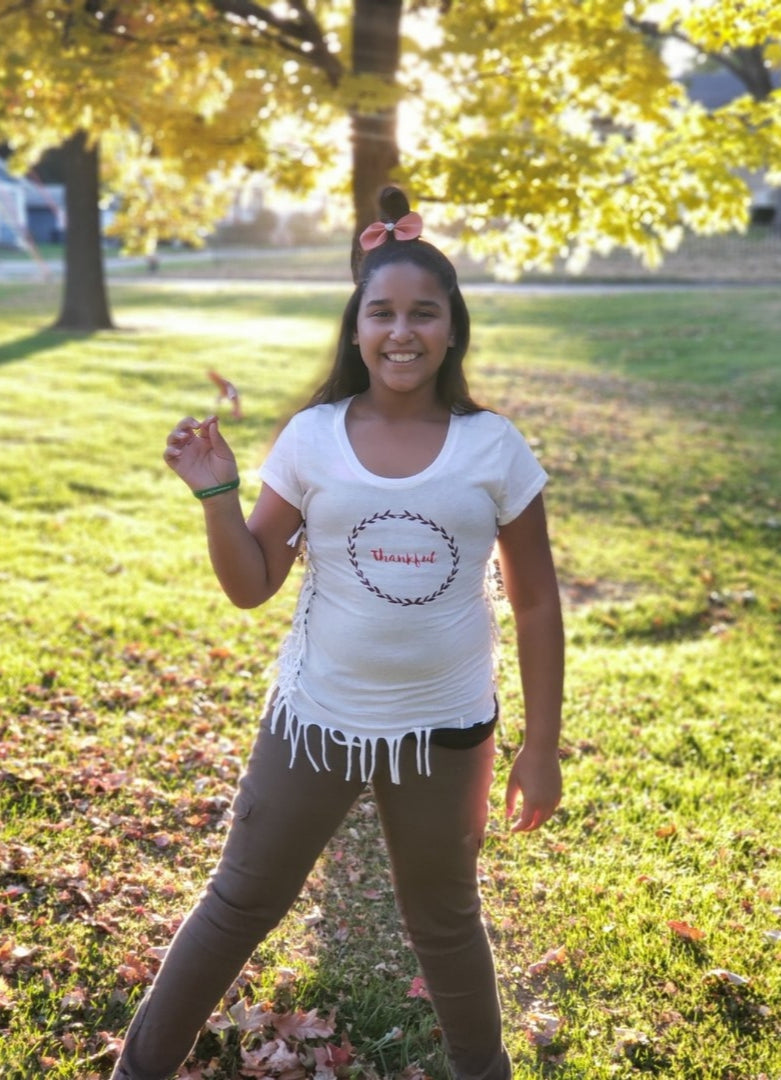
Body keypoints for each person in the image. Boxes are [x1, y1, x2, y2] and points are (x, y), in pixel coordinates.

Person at [110, 186, 564, 1080]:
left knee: (444, 919)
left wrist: (539, 746)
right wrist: (215, 494)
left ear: (451, 329)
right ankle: (137, 1071)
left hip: (445, 731)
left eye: (423, 313)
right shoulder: (312, 438)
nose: (402, 332)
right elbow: (252, 584)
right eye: (381, 312)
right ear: (355, 329)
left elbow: (538, 602)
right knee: (239, 900)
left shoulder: (493, 447)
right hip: (314, 720)